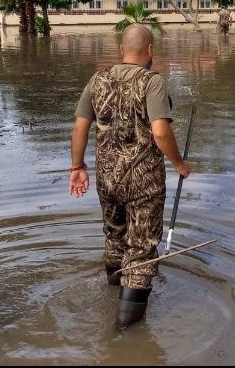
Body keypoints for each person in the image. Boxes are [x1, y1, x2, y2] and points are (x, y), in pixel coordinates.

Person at [69, 24, 191, 330]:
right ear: (149, 51)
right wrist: (179, 163)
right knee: (141, 250)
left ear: (121, 49)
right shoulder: (152, 82)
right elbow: (161, 131)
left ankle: (114, 295)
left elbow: (80, 126)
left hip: (107, 180)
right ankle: (127, 331)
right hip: (143, 182)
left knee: (114, 236)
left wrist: (77, 168)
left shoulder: (98, 80)